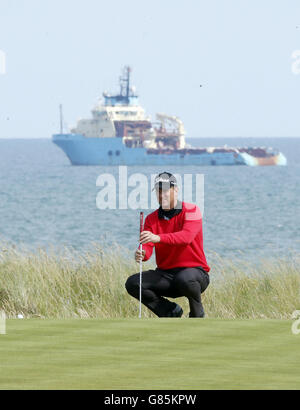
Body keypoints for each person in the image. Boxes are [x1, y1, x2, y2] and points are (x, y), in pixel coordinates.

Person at [125, 172, 210, 318]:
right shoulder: (151, 219)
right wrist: (143, 253)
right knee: (133, 283)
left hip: (195, 273)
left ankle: (197, 314)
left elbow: (186, 237)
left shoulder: (192, 211)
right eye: (158, 191)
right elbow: (148, 245)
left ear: (175, 190)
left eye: (165, 190)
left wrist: (158, 237)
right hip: (166, 275)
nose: (161, 195)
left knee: (185, 278)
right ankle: (170, 312)